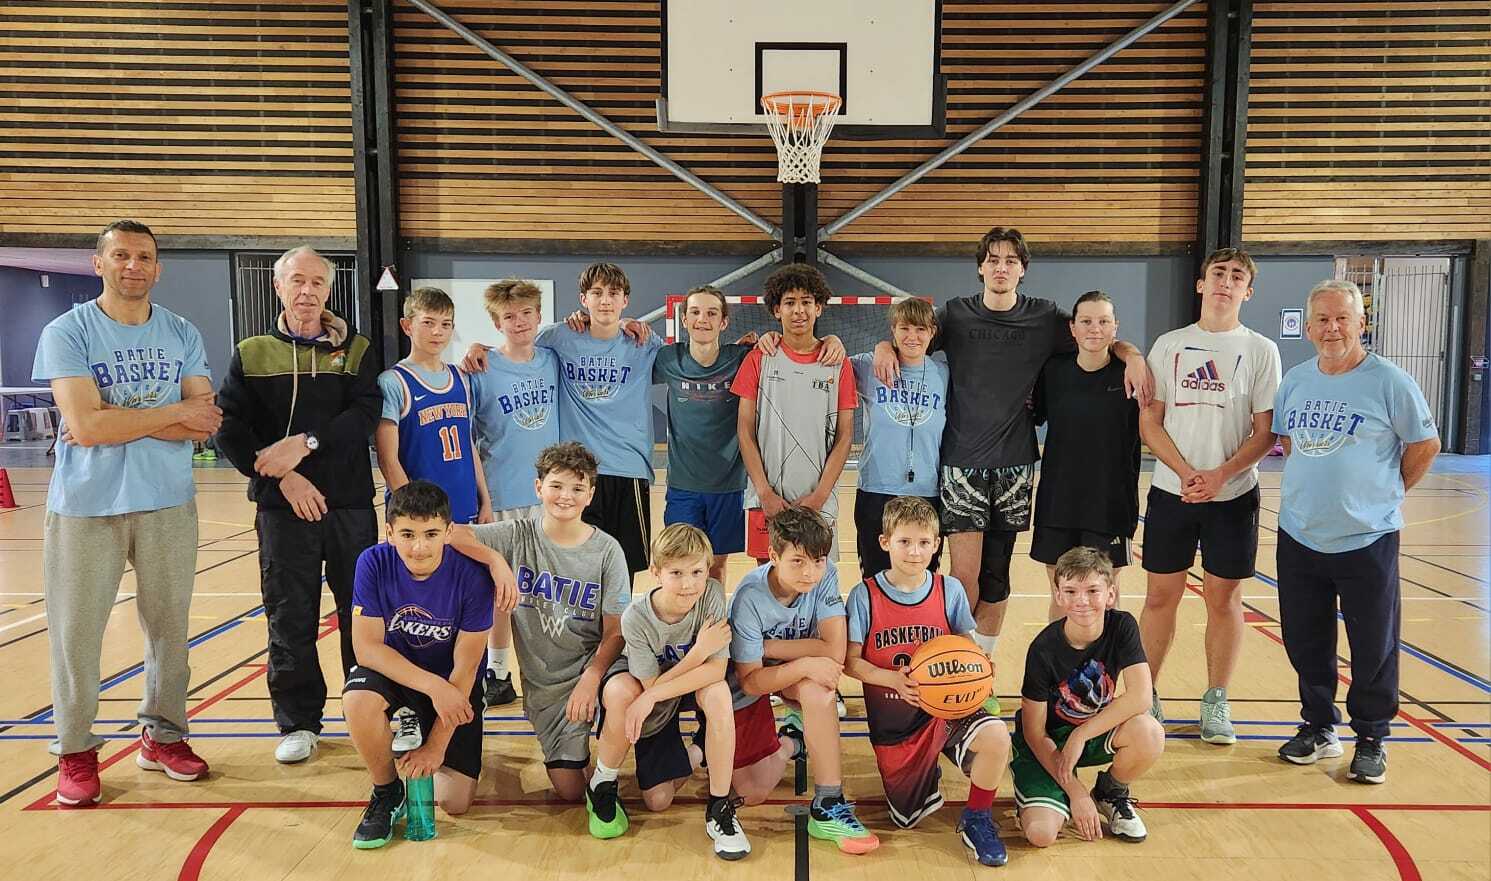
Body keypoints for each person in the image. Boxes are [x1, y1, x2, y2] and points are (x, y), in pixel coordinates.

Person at [872, 227, 1151, 706]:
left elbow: (1096, 334)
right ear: (981, 266)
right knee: (963, 578)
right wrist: (883, 347)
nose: (1001, 267)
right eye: (993, 259)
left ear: (1022, 270)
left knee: (997, 580)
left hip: (1016, 467)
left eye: (1010, 261)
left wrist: (1133, 355)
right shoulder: (956, 314)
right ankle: (950, 673)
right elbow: (911, 335)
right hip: (962, 464)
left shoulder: (1044, 317)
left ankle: (977, 678)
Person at [35, 219, 220, 805]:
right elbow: (86, 427)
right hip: (86, 508)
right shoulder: (67, 331)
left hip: (167, 502)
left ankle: (163, 736)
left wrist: (115, 420)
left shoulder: (181, 331)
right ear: (99, 264)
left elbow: (205, 420)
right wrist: (169, 415)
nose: (132, 265)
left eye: (143, 256)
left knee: (169, 634)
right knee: (76, 635)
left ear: (157, 269)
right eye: (121, 255)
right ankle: (75, 751)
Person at [216, 245, 382, 765]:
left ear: (328, 290)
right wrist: (284, 477)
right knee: (290, 616)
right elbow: (229, 428)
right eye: (297, 281)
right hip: (282, 508)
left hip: (349, 506)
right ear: (278, 286)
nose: (307, 291)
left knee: (363, 613)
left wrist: (305, 444)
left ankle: (369, 708)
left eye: (317, 282)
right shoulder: (251, 353)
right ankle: (299, 722)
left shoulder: (355, 349)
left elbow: (364, 416)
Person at [1272, 279, 1439, 784]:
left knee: (1373, 644)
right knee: (1305, 640)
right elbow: (1289, 442)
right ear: (1308, 327)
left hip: (1368, 538)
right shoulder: (1296, 380)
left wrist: (1386, 493)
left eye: (1342, 318)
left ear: (1361, 324)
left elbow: (1425, 444)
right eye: (1322, 319)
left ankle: (1371, 737)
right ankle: (1319, 726)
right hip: (1300, 534)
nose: (1332, 328)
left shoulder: (1389, 381)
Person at [1138, 248, 1282, 741]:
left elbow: (1265, 432)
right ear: (1201, 284)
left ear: (1248, 291)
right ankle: (1146, 696)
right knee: (1161, 597)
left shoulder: (1261, 350)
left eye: (1237, 276)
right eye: (1218, 273)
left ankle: (1216, 701)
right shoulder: (1169, 344)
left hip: (1234, 496)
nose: (1226, 281)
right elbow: (1150, 422)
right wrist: (1184, 472)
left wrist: (1221, 475)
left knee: (1225, 600)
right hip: (1171, 492)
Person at [453, 441, 631, 802]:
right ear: (538, 488)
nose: (566, 496)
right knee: (569, 791)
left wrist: (592, 677)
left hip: (594, 669)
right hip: (546, 688)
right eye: (556, 486)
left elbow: (616, 632)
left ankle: (609, 772)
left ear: (590, 495)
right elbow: (451, 532)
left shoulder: (607, 550)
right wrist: (495, 561)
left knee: (621, 692)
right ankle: (581, 758)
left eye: (577, 488)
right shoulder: (517, 535)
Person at [843, 497, 1010, 866]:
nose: (914, 552)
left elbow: (965, 645)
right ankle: (927, 766)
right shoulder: (864, 595)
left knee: (998, 736)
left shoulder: (949, 590)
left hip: (947, 711)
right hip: (897, 727)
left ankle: (977, 817)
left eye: (923, 543)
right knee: (907, 819)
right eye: (904, 542)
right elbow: (850, 663)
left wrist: (979, 667)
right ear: (885, 542)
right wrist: (892, 679)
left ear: (937, 544)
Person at [343, 481, 502, 848]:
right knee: (357, 699)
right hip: (399, 675)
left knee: (455, 803)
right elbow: (366, 649)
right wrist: (432, 686)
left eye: (431, 534)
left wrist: (436, 746)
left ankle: (419, 727)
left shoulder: (473, 577)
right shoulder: (372, 562)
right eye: (407, 535)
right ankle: (386, 790)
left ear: (449, 531)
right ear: (389, 533)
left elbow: (466, 668)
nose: (419, 547)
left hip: (454, 684)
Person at [587, 523, 750, 859]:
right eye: (676, 573)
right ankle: (602, 781)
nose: (688, 584)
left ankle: (719, 808)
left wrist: (653, 694)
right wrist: (698, 651)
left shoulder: (711, 594)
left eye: (697, 572)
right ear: (655, 572)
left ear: (708, 569)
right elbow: (650, 686)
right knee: (658, 799)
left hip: (674, 688)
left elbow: (715, 670)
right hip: (654, 688)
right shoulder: (636, 618)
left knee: (718, 693)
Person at [726, 506, 880, 855]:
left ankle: (828, 803)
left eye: (818, 561)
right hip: (758, 678)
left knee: (819, 691)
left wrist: (769, 647)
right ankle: (792, 741)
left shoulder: (825, 575)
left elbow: (835, 651)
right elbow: (750, 681)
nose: (810, 573)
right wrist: (807, 660)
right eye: (797, 562)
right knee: (752, 792)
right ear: (773, 556)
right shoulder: (749, 597)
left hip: (789, 670)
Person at [1014, 547, 1164, 847]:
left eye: (1093, 591)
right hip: (1048, 742)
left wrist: (1080, 735)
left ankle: (1110, 792)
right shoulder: (1043, 649)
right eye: (1071, 591)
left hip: (1090, 732)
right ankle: (1054, 798)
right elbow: (1034, 733)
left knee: (1149, 732)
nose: (1082, 601)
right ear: (1058, 596)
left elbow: (1141, 696)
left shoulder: (1122, 626)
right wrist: (1076, 792)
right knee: (1041, 835)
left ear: (1111, 594)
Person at [467, 278, 560, 707]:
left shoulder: (553, 359)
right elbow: (468, 437)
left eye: (526, 314)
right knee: (502, 591)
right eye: (509, 316)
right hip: (502, 493)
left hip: (551, 499)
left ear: (539, 316)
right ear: (496, 323)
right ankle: (498, 671)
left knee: (546, 592)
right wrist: (483, 499)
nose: (519, 322)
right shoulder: (480, 370)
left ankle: (547, 672)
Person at [733, 265, 857, 562]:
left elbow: (845, 436)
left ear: (819, 308)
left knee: (817, 576)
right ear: (777, 310)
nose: (798, 310)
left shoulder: (838, 364)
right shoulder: (759, 358)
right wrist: (764, 492)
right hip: (768, 499)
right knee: (769, 579)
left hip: (819, 501)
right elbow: (745, 430)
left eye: (806, 302)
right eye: (789, 302)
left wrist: (819, 496)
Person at [1031, 291, 1141, 618]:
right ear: (1073, 328)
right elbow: (1033, 415)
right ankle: (1059, 654)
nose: (1095, 328)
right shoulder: (1053, 371)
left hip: (1110, 507)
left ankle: (1107, 655)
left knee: (1104, 597)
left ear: (1115, 327)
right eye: (1087, 321)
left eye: (1104, 321)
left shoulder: (1130, 374)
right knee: (1062, 594)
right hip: (1058, 504)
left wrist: (1133, 356)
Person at [652, 286, 754, 583]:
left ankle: (713, 613)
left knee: (716, 566)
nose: (702, 319)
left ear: (723, 322)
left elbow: (782, 347)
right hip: (684, 485)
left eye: (711, 313)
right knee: (679, 562)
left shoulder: (741, 358)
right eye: (695, 312)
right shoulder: (668, 358)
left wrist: (833, 340)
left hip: (729, 485)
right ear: (684, 319)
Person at [374, 286, 492, 525]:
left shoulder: (461, 378)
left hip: (464, 504)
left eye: (446, 324)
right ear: (407, 326)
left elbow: (468, 443)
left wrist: (485, 500)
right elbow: (388, 460)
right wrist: (412, 514)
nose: (438, 331)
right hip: (419, 512)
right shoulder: (393, 381)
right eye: (428, 323)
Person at [848, 300, 948, 581]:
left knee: (921, 581)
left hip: (927, 492)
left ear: (932, 332)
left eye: (920, 329)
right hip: (876, 491)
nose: (912, 336)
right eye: (904, 328)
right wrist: (878, 347)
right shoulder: (869, 366)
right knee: (875, 581)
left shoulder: (944, 374)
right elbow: (824, 362)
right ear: (893, 330)